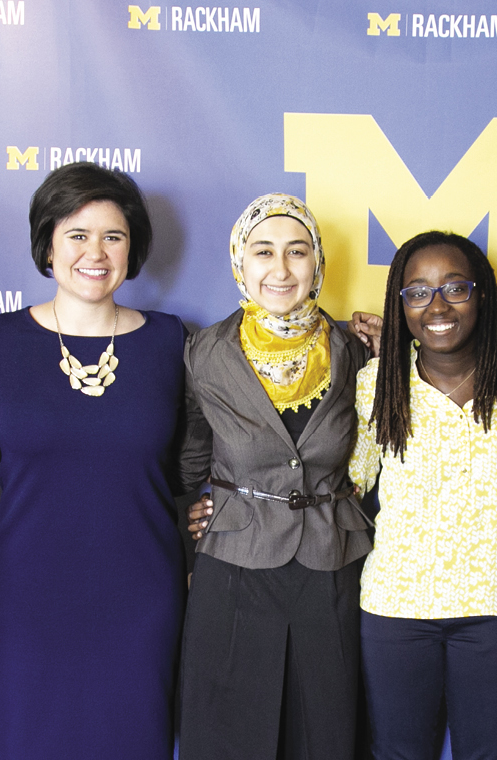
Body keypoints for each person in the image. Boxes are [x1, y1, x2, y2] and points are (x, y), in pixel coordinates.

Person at [0, 161, 189, 759]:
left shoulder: (170, 342)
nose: (96, 252)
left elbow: (199, 457)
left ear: (132, 249)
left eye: (113, 236)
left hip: (140, 594)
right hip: (30, 596)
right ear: (48, 245)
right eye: (77, 235)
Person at [178, 194, 372, 760]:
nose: (281, 269)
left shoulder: (354, 350)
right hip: (233, 562)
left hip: (332, 559)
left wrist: (391, 349)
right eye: (263, 251)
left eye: (297, 251)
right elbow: (188, 459)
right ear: (240, 261)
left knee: (325, 732)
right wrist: (194, 508)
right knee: (229, 734)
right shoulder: (203, 352)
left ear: (318, 262)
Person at [351, 231, 497, 760]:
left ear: (483, 295)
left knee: (490, 753)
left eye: (455, 288)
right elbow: (349, 481)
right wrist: (237, 499)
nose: (437, 306)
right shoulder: (378, 383)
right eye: (418, 292)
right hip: (396, 609)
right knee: (398, 752)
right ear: (400, 304)